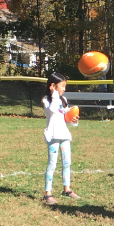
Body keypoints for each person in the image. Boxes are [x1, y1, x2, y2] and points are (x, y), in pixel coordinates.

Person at [42, 71, 80, 205]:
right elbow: (52, 110)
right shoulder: (46, 100)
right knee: (52, 164)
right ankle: (48, 193)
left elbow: (66, 117)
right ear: (53, 86)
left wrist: (74, 120)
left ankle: (67, 189)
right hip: (53, 136)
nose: (64, 89)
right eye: (62, 86)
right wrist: (54, 95)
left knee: (66, 163)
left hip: (64, 135)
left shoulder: (63, 100)